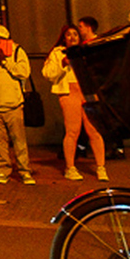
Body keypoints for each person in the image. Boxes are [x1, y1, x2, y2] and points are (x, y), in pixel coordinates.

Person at [43, 23, 107, 181]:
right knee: (73, 131)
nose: (72, 37)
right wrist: (63, 63)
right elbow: (48, 74)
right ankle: (70, 168)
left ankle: (101, 167)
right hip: (69, 92)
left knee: (94, 130)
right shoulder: (58, 53)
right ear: (64, 38)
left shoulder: (87, 50)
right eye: (69, 34)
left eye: (75, 34)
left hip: (87, 92)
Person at [0, 26, 35, 185]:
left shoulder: (17, 52)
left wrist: (5, 61)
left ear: (0, 38)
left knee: (19, 141)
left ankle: (24, 171)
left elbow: (24, 72)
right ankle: (3, 170)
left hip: (13, 105)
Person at [76, 17, 124, 161]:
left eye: (81, 27)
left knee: (102, 116)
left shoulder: (97, 44)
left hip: (99, 86)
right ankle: (83, 147)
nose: (79, 30)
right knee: (89, 116)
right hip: (91, 86)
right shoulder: (85, 45)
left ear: (89, 27)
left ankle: (115, 147)